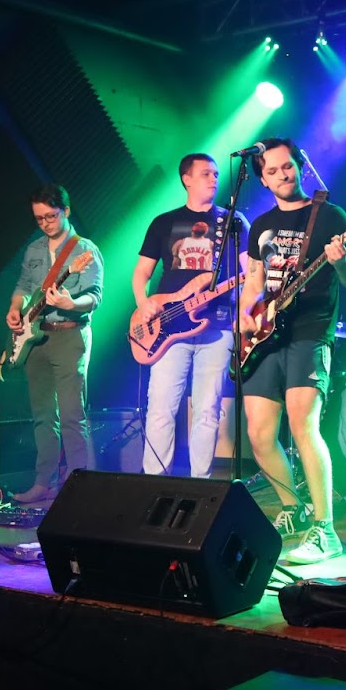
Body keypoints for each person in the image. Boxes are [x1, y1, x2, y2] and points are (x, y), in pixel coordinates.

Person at [238, 139, 346, 564]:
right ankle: (293, 509)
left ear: (299, 167)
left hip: (311, 330)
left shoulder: (331, 216)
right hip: (266, 335)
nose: (283, 175)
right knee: (259, 434)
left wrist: (340, 259)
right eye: (273, 171)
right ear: (262, 178)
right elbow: (254, 282)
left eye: (288, 167)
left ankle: (325, 530)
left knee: (302, 425)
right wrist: (247, 315)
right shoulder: (260, 225)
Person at [132, 154, 249, 478]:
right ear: (186, 179)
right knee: (161, 407)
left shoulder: (234, 222)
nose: (214, 179)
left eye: (216, 174)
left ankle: (203, 485)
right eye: (205, 173)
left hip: (218, 325)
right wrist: (144, 304)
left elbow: (251, 273)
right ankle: (154, 483)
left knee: (207, 410)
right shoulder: (164, 222)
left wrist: (245, 308)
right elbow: (141, 273)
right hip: (168, 326)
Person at [7, 184, 104, 506]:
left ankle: (79, 487)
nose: (45, 223)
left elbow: (95, 296)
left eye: (51, 216)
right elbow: (23, 286)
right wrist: (15, 309)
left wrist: (70, 303)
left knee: (73, 414)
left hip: (70, 334)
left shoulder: (84, 249)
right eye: (39, 219)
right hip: (36, 337)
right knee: (43, 415)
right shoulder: (34, 250)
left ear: (66, 211)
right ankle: (43, 483)